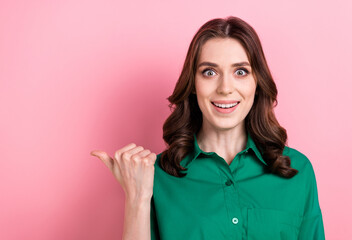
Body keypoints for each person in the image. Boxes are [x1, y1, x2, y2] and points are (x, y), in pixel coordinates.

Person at [90, 16, 325, 240]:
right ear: (193, 84)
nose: (225, 88)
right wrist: (137, 198)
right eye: (209, 72)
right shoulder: (157, 176)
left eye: (240, 71)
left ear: (257, 82)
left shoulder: (297, 171)